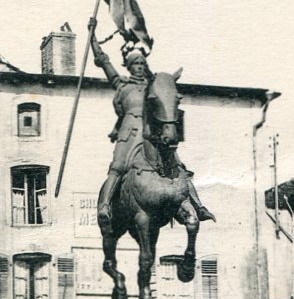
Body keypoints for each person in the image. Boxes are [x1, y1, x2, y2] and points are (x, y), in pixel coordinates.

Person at [88, 18, 215, 226]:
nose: (138, 67)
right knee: (118, 166)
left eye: (141, 63)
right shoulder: (121, 85)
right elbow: (104, 61)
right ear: (129, 67)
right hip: (129, 132)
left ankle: (198, 206)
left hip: (151, 132)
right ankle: (104, 206)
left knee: (178, 165)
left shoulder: (152, 84)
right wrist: (92, 37)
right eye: (135, 64)